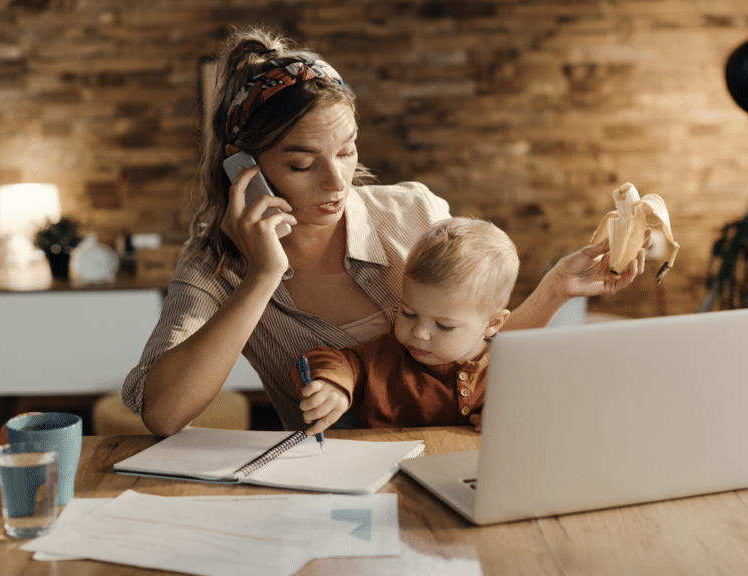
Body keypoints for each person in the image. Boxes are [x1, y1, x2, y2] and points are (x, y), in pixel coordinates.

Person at [122, 25, 648, 437]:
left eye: (347, 151)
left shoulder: (414, 213)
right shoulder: (214, 263)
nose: (336, 181)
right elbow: (164, 415)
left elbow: (479, 351)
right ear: (244, 168)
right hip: (330, 486)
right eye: (303, 164)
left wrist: (555, 287)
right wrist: (262, 276)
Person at [296, 217, 517, 433]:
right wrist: (334, 385)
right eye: (408, 313)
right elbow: (328, 360)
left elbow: (540, 411)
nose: (419, 333)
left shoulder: (511, 368)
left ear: (492, 323)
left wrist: (506, 414)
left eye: (443, 325)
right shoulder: (385, 358)